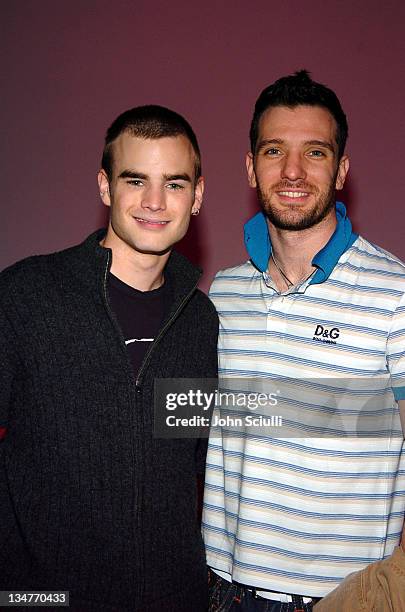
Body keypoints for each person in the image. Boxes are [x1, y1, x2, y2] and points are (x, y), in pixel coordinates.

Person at [0, 105, 218, 611]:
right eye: (135, 180)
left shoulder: (201, 322)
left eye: (176, 184)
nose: (155, 202)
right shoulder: (25, 297)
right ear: (105, 187)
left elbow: (197, 463)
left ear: (198, 196)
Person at [203, 70, 405, 611]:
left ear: (341, 170)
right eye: (274, 150)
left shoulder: (395, 293)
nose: (292, 171)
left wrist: (388, 594)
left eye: (315, 153)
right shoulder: (222, 292)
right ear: (251, 167)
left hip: (340, 601)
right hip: (221, 593)